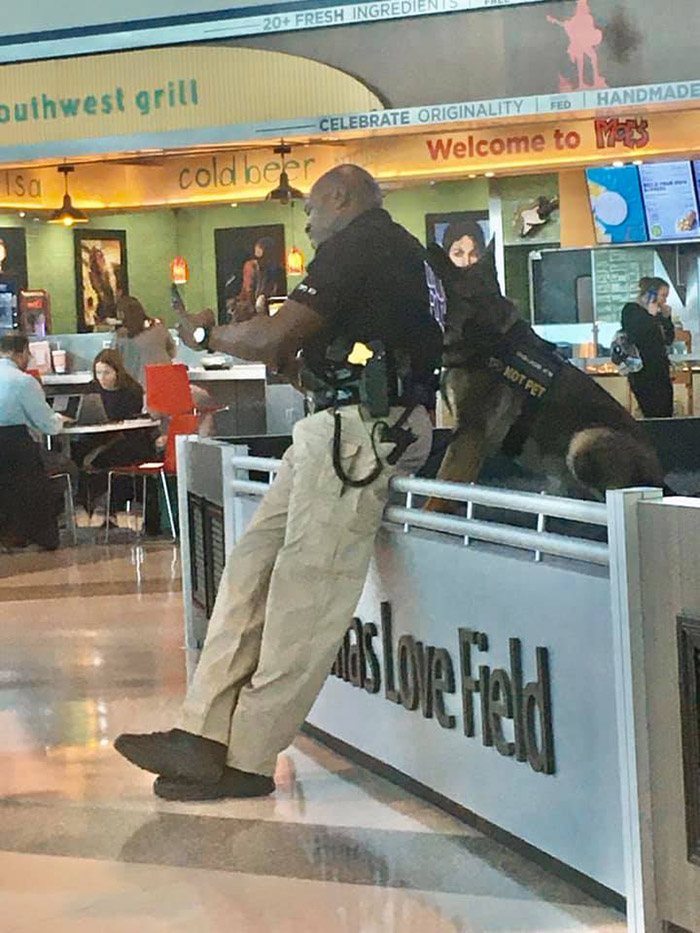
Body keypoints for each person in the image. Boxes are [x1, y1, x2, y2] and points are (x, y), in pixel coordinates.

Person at [115, 164, 443, 800]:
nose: (309, 227)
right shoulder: (402, 257)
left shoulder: (358, 246)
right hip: (340, 425)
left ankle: (248, 759)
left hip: (361, 434)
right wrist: (305, 363)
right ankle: (202, 736)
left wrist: (204, 334)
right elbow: (327, 349)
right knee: (251, 573)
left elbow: (272, 336)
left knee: (303, 597)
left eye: (312, 213)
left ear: (340, 198)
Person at [0, 334, 68, 550]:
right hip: (15, 447)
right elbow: (46, 424)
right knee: (63, 469)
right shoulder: (23, 382)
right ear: (19, 353)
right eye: (28, 353)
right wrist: (59, 419)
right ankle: (41, 536)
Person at [76, 349, 156, 519]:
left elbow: (131, 422)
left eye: (107, 373)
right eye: (98, 373)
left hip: (126, 440)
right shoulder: (92, 387)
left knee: (102, 459)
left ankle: (104, 505)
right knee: (76, 451)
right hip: (99, 438)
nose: (102, 378)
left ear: (117, 372)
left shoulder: (132, 390)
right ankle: (86, 503)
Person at [621, 276, 675, 418]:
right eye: (663, 295)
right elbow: (636, 335)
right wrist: (650, 317)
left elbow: (669, 339)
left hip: (660, 370)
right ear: (651, 294)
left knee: (665, 410)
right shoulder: (631, 310)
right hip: (643, 372)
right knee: (652, 411)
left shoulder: (658, 314)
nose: (664, 300)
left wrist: (666, 318)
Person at [116, 296, 176, 385]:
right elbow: (172, 351)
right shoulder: (159, 328)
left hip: (140, 383)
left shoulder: (121, 336)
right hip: (167, 379)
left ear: (121, 314)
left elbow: (114, 362)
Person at [228, 236, 286, 323]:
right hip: (247, 313)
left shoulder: (276, 270)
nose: (261, 261)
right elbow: (249, 290)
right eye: (258, 257)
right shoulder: (251, 266)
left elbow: (276, 294)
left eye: (265, 257)